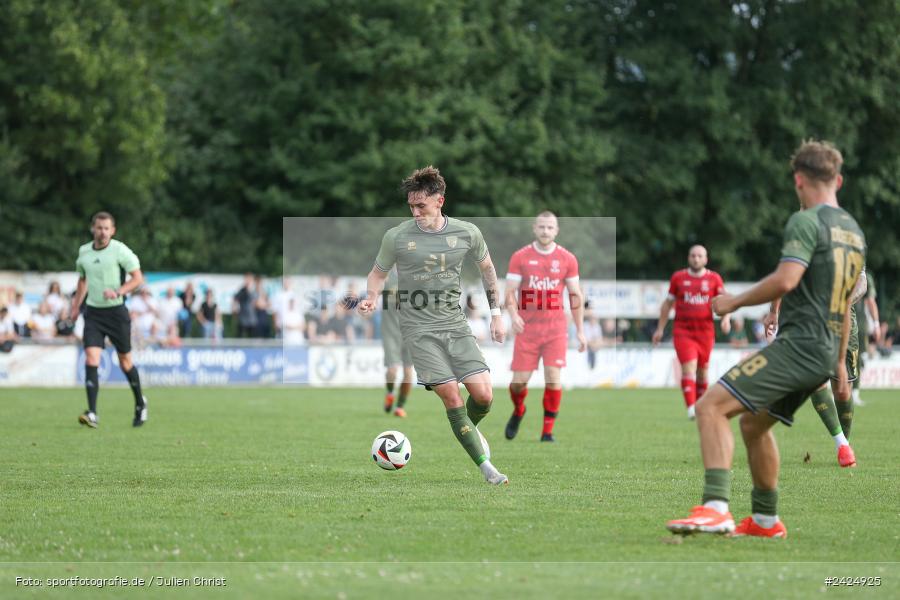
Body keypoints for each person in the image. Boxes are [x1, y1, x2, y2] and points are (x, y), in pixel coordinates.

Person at [667, 140, 865, 538]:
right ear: (838, 180)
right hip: (825, 349)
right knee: (754, 427)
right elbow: (846, 303)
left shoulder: (805, 221)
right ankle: (764, 520)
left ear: (798, 180)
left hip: (800, 346)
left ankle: (716, 508)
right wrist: (840, 361)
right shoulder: (853, 232)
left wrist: (732, 302)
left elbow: (786, 279)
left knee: (710, 408)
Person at [358, 166, 509, 485]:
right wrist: (371, 297)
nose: (415, 212)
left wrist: (496, 313)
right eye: (411, 206)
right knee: (452, 397)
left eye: (421, 206)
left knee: (483, 396)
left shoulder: (467, 233)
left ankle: (471, 428)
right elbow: (377, 273)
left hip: (455, 325)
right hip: (418, 330)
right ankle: (486, 468)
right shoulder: (397, 237)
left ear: (439, 201)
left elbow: (488, 271)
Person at [764, 268, 869, 468]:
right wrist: (773, 311)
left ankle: (845, 443)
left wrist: (846, 302)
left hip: (843, 320)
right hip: (809, 318)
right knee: (815, 382)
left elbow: (862, 282)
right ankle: (843, 446)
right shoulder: (806, 240)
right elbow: (784, 277)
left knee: (842, 388)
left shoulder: (852, 239)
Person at [503, 211, 586, 442]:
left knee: (553, 377)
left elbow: (575, 296)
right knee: (518, 383)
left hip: (555, 329)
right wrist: (513, 315)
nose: (545, 231)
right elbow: (509, 293)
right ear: (534, 228)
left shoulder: (567, 259)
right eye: (541, 227)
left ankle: (547, 432)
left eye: (550, 227)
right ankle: (519, 409)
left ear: (556, 230)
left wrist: (579, 330)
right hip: (527, 330)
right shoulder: (520, 257)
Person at [71, 211, 148, 428]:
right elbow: (82, 280)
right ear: (92, 229)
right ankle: (92, 412)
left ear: (112, 231)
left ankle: (140, 403)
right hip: (94, 313)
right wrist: (75, 307)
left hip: (116, 313)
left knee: (125, 362)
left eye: (106, 228)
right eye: (99, 227)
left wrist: (119, 291)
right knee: (91, 358)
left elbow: (138, 278)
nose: (102, 232)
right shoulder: (84, 252)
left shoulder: (120, 250)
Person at [652, 245, 732, 420]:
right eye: (693, 256)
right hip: (683, 331)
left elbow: (726, 301)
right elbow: (667, 304)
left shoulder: (714, 279)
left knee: (703, 372)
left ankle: (700, 405)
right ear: (689, 258)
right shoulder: (678, 278)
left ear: (706, 259)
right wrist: (660, 328)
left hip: (705, 332)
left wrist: (726, 319)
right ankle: (691, 409)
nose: (696, 259)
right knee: (689, 367)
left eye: (700, 256)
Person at [380, 268, 415, 418]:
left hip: (409, 333)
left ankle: (400, 406)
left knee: (408, 372)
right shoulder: (387, 276)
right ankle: (389, 393)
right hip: (390, 332)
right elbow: (375, 286)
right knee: (392, 370)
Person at [232, 273, 258, 338]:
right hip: (242, 319)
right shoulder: (241, 290)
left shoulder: (254, 291)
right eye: (246, 279)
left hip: (252, 319)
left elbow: (256, 301)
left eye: (249, 280)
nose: (247, 281)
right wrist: (234, 308)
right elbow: (235, 299)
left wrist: (249, 290)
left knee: (252, 338)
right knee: (239, 337)